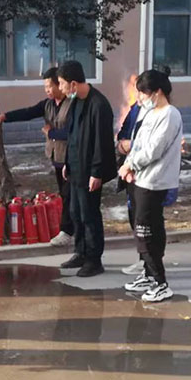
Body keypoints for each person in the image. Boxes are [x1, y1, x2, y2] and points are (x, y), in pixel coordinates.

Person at [0, 67, 74, 247]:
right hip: (57, 157)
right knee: (66, 195)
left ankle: (68, 231)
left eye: (50, 86)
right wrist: (3, 117)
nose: (47, 90)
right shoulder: (47, 104)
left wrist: (51, 133)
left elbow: (74, 133)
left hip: (72, 158)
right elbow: (27, 112)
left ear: (60, 84)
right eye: (45, 87)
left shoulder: (72, 105)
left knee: (70, 195)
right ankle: (71, 230)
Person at [117, 67, 182, 303]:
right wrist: (129, 166)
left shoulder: (170, 114)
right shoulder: (150, 113)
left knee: (146, 231)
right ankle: (148, 274)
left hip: (154, 181)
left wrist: (130, 165)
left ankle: (160, 282)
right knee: (143, 227)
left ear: (157, 92)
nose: (140, 97)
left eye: (143, 92)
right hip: (140, 179)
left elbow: (154, 150)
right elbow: (138, 144)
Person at [57, 60, 117, 277]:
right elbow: (72, 136)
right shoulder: (76, 102)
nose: (61, 88)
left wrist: (97, 172)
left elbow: (102, 142)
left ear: (73, 83)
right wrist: (67, 162)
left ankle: (94, 259)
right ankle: (80, 252)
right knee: (75, 212)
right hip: (75, 168)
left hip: (90, 171)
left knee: (89, 215)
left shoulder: (99, 105)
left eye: (62, 83)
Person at [116, 99, 144, 276]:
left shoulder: (162, 114)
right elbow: (124, 131)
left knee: (146, 220)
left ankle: (149, 263)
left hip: (146, 175)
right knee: (134, 216)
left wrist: (131, 145)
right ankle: (143, 259)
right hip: (130, 173)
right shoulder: (136, 108)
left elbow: (152, 144)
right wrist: (122, 145)